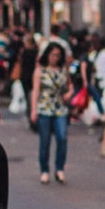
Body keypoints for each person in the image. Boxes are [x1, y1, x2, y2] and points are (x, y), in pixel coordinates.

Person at [29, 41, 70, 184]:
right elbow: (35, 91)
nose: (55, 58)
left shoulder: (63, 70)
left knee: (62, 138)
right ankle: (44, 170)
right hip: (44, 108)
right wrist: (33, 110)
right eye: (53, 55)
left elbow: (70, 86)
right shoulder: (40, 71)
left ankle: (59, 169)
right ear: (47, 55)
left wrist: (69, 94)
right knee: (45, 141)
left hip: (60, 108)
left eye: (58, 55)